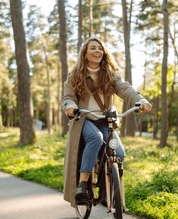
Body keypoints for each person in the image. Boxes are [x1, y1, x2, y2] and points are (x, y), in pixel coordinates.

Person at [61, 37, 152, 206]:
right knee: (95, 138)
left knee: (119, 154)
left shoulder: (110, 74)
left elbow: (125, 88)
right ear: (85, 54)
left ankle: (106, 188)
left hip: (105, 120)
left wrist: (140, 100)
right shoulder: (75, 76)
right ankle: (82, 185)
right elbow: (68, 97)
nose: (97, 51)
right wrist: (70, 107)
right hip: (84, 119)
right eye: (93, 48)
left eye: (100, 48)